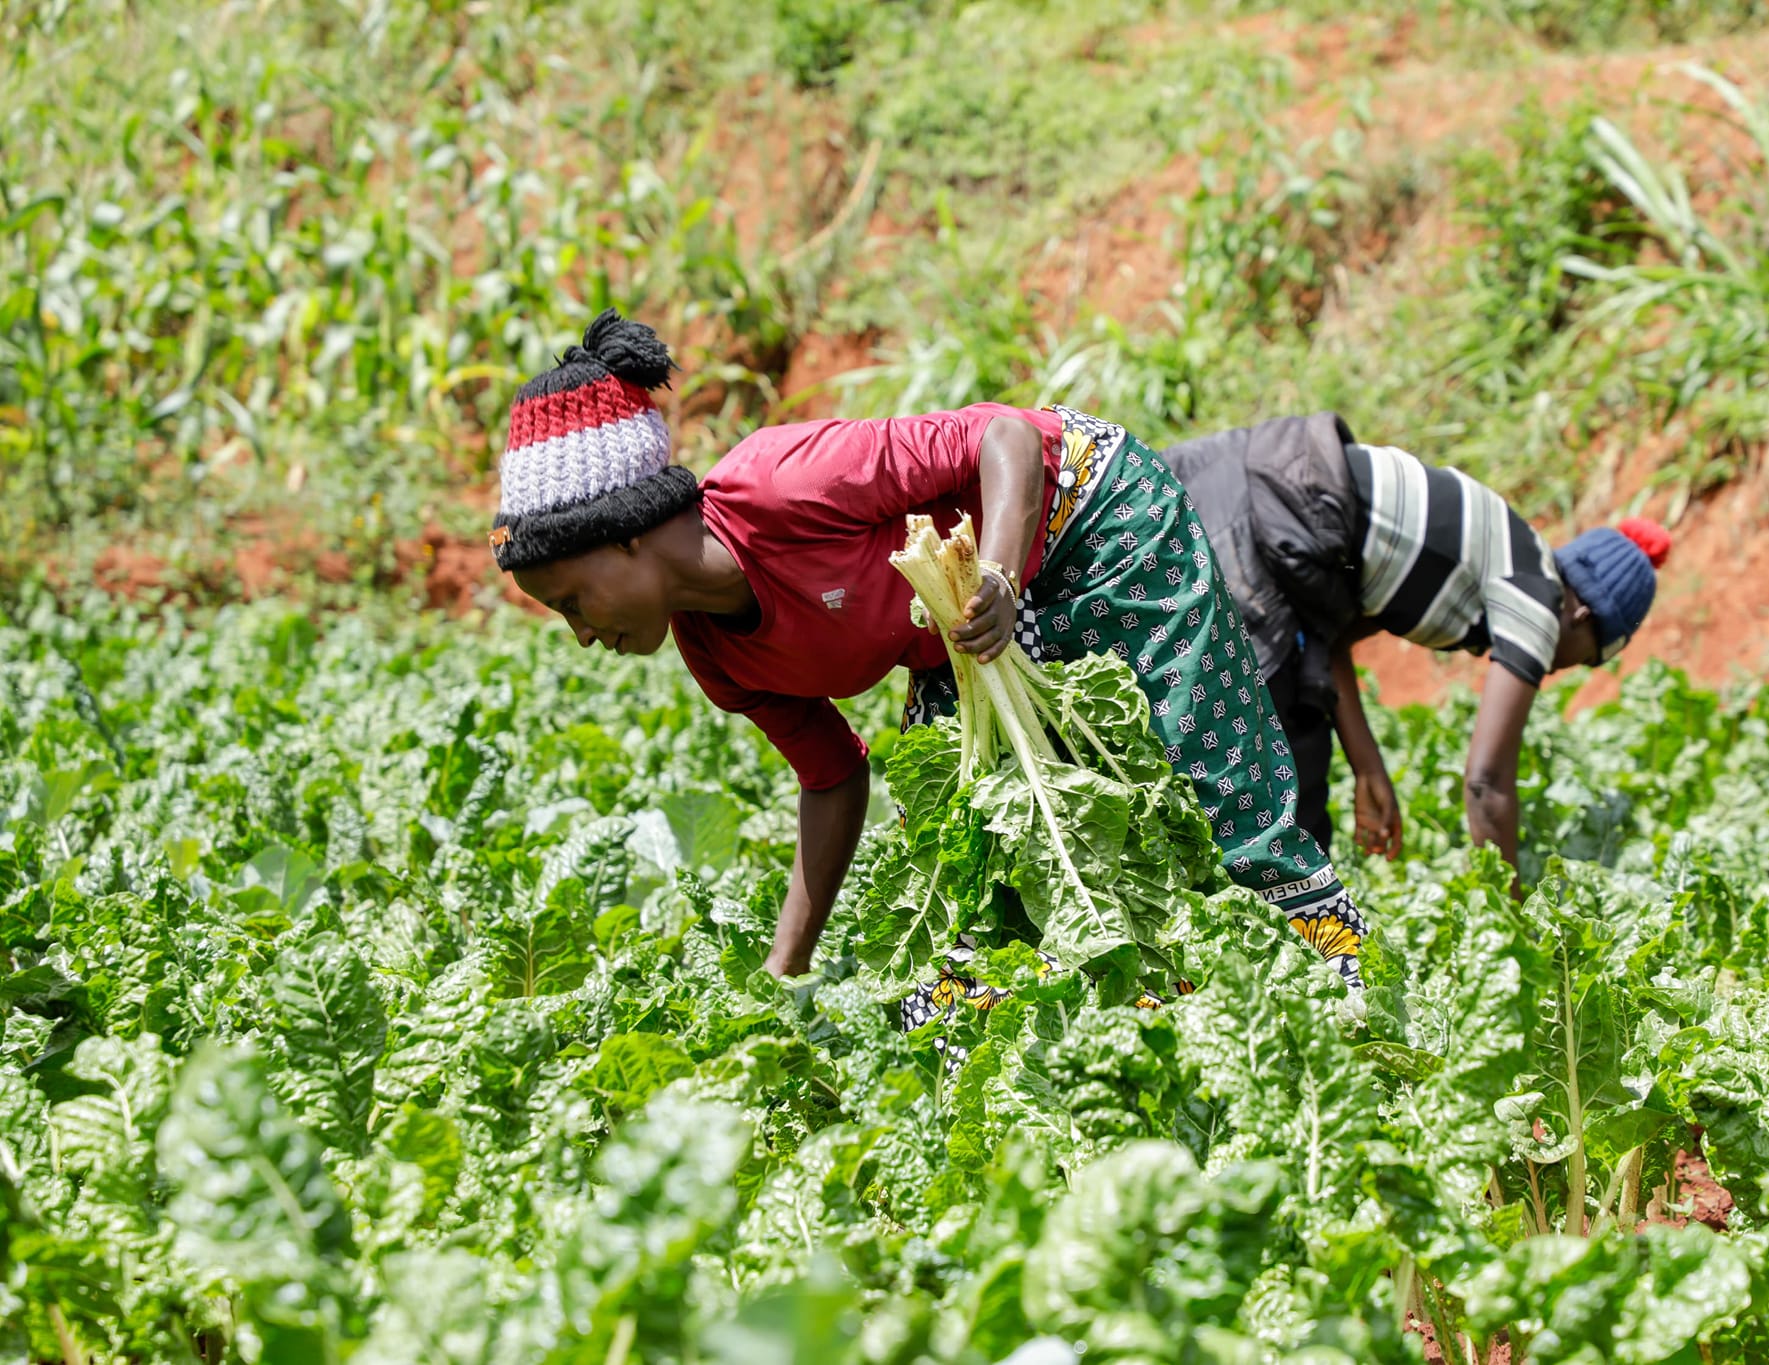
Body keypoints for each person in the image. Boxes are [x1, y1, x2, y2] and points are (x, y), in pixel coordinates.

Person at [489, 311, 1374, 1008]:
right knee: (958, 903)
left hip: (1091, 524)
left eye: (572, 600)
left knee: (1210, 795)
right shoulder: (717, 653)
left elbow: (1006, 440)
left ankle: (1356, 1019)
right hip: (968, 637)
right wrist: (783, 969)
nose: (582, 632)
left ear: (629, 537)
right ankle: (1091, 1094)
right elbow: (833, 780)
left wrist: (998, 576)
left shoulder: (776, 483)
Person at [1161, 412, 1667, 880]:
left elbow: (1330, 637)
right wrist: (1516, 924)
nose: (1562, 668)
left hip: (1233, 475)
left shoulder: (1505, 555)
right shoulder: (1539, 599)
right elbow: (1486, 783)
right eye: (1587, 657)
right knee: (1283, 800)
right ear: (1582, 616)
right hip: (1262, 521)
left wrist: (1368, 767)